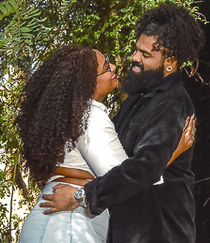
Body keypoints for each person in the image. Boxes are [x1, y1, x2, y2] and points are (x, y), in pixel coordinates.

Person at [43, 3, 204, 243]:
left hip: (159, 233)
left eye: (145, 55)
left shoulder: (173, 105)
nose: (134, 58)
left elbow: (143, 169)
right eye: (137, 49)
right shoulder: (138, 99)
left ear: (170, 62)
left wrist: (80, 197)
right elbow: (113, 159)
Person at [15, 45, 194, 243]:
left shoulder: (75, 118)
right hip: (69, 226)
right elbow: (126, 179)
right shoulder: (90, 116)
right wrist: (172, 154)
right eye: (106, 66)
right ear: (88, 82)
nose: (115, 67)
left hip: (61, 223)